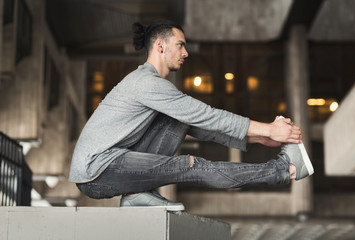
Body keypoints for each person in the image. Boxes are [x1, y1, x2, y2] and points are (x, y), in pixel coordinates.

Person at [69, 19, 314, 211]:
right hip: (97, 172)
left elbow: (197, 124)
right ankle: (284, 169)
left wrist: (255, 138)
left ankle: (135, 195)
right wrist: (269, 129)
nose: (186, 53)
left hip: (111, 161)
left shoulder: (151, 84)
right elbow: (207, 115)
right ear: (160, 46)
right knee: (192, 165)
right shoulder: (147, 84)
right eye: (180, 45)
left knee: (180, 119)